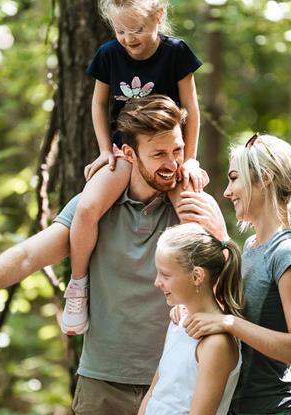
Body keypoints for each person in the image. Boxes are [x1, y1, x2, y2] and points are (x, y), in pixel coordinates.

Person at [0, 95, 225, 415]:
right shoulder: (94, 209)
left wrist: (219, 234)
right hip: (102, 386)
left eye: (177, 150)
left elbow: (225, 287)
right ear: (129, 154)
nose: (173, 164)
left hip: (172, 385)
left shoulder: (192, 206)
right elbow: (29, 255)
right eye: (159, 154)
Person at [60, 0, 207, 336]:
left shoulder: (176, 54)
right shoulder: (109, 54)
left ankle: (194, 293)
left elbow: (192, 109)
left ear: (158, 17)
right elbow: (98, 103)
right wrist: (102, 151)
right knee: (86, 208)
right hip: (125, 153)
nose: (128, 37)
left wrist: (189, 158)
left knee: (192, 216)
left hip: (166, 155)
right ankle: (78, 286)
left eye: (136, 29)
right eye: (120, 30)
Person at [174, 133, 291, 415]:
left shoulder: (288, 253)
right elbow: (237, 309)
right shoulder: (253, 248)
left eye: (234, 178)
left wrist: (227, 323)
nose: (227, 192)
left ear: (264, 178)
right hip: (236, 413)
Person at [126, 223, 242, 415]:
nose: (157, 282)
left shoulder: (215, 343)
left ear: (197, 276)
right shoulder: (178, 322)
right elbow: (154, 394)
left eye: (165, 275)